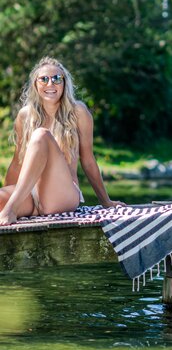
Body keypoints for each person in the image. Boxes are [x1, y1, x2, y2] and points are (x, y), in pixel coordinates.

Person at [0, 56, 125, 225]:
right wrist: (10, 192)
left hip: (62, 194)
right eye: (44, 79)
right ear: (35, 84)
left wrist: (106, 202)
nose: (50, 84)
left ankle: (11, 209)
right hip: (31, 194)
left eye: (57, 79)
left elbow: (88, 160)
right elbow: (17, 162)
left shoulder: (78, 112)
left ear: (64, 83)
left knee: (41, 135)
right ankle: (13, 206)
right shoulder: (25, 115)